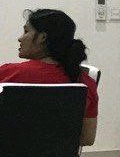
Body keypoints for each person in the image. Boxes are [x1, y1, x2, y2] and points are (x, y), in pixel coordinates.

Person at [0, 9, 98, 145]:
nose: (20, 38)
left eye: (26, 31)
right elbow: (87, 138)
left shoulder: (8, 74)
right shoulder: (85, 83)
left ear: (42, 38)